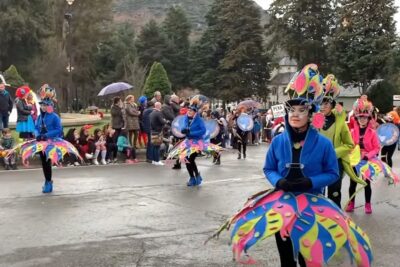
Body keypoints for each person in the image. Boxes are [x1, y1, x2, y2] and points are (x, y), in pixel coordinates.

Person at [264, 64, 339, 267]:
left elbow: (333, 173)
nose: (295, 115)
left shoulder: (323, 143)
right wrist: (278, 181)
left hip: (312, 206)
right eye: (291, 110)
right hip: (283, 207)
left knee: (310, 259)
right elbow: (268, 168)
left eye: (301, 110)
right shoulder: (279, 140)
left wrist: (310, 181)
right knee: (286, 259)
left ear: (311, 114)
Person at [319, 75, 358, 208]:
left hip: (335, 163)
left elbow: (349, 144)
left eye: (326, 103)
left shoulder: (340, 122)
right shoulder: (314, 121)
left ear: (332, 105)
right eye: (320, 103)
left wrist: (333, 153)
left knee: (334, 193)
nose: (323, 106)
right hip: (317, 162)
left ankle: (336, 221)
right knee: (316, 195)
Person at [346, 98, 380, 214]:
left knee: (366, 183)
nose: (362, 119)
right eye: (360, 117)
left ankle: (368, 204)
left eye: (364, 117)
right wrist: (350, 153)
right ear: (356, 118)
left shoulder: (372, 132)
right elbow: (349, 146)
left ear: (368, 118)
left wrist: (367, 156)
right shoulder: (351, 132)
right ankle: (351, 203)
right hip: (355, 161)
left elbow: (376, 148)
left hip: (367, 160)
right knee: (353, 183)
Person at [35, 98, 63, 193]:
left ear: (50, 106)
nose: (43, 106)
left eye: (45, 105)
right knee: (43, 162)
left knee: (47, 162)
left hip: (51, 142)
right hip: (41, 143)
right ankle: (47, 181)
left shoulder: (55, 117)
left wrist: (46, 135)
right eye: (42, 105)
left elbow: (58, 129)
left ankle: (48, 182)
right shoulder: (39, 117)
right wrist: (37, 135)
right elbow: (36, 128)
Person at [181, 103, 207, 186]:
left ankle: (197, 176)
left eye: (191, 110)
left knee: (191, 158)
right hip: (188, 142)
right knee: (186, 159)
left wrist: (191, 133)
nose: (189, 111)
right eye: (188, 110)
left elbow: (203, 131)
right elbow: (184, 127)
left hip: (198, 142)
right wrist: (183, 130)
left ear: (195, 112)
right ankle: (193, 178)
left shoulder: (199, 120)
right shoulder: (186, 118)